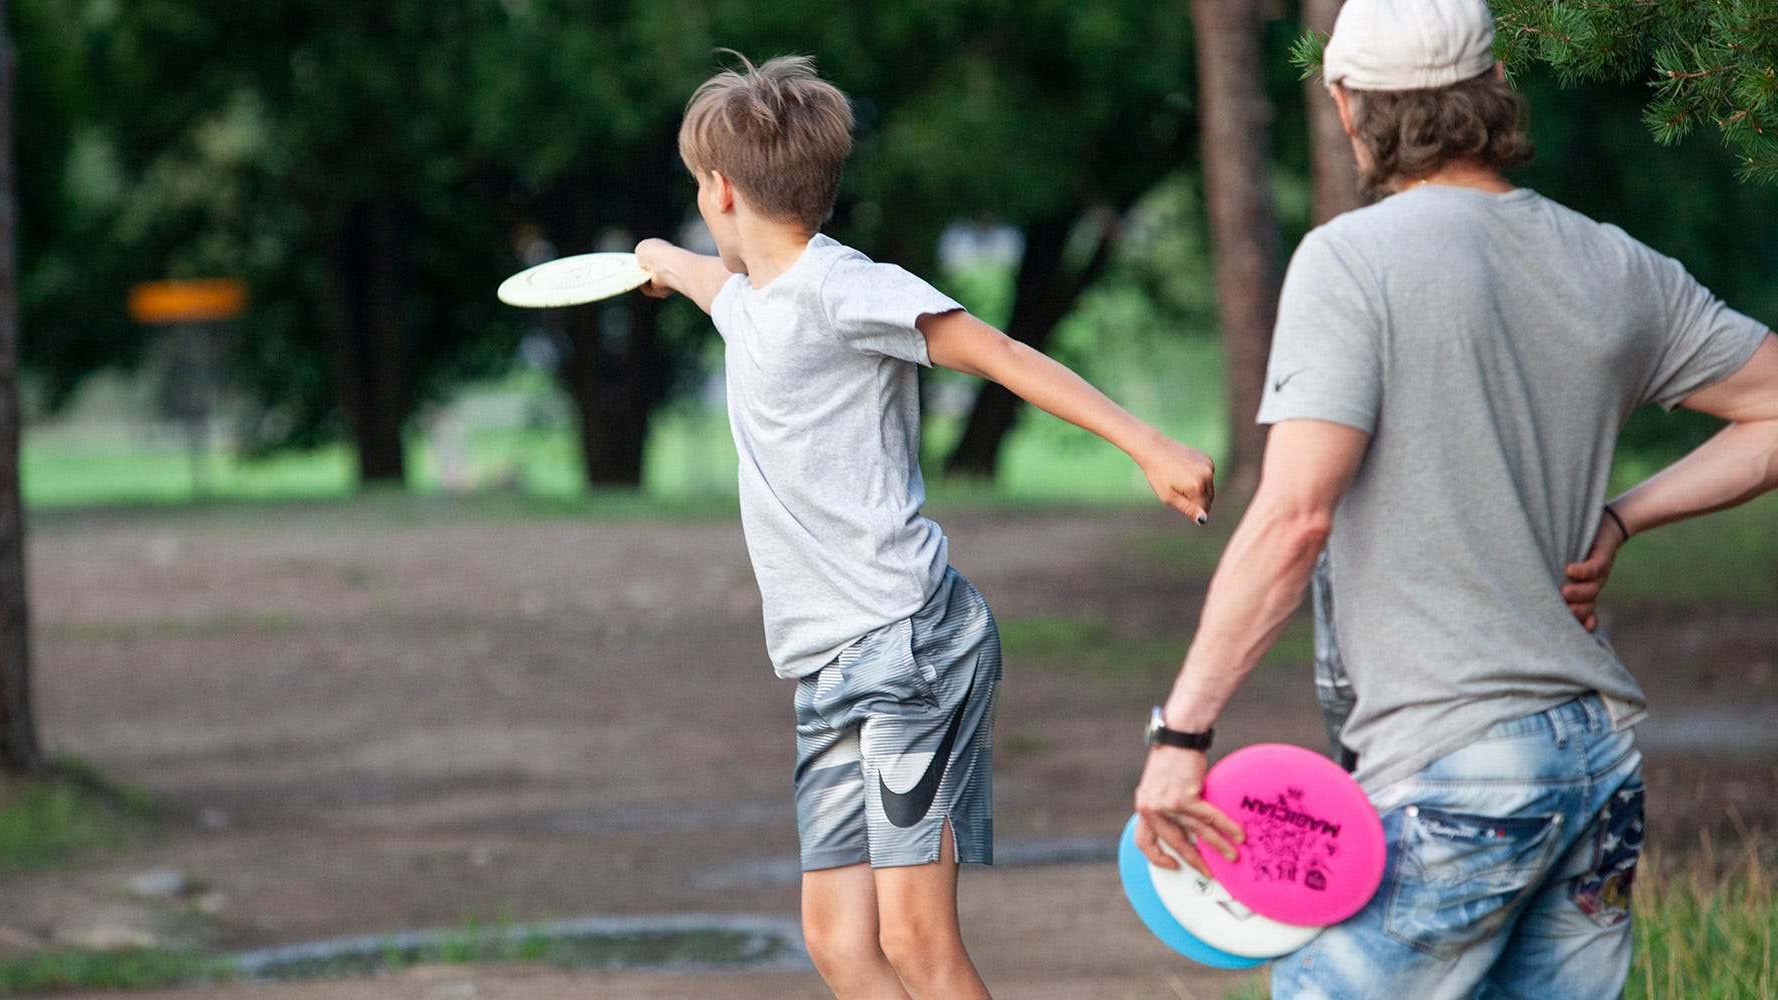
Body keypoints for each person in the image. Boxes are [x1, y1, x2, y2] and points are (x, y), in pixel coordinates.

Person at [1131, 0, 1778, 996]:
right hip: (1594, 764)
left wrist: (1181, 733)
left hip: (1452, 770)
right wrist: (1623, 514)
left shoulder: (1349, 262)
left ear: (1350, 107)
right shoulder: (1605, 260)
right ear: (1489, 91)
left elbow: (1293, 514)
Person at [634, 53, 1216, 999]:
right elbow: (713, 282)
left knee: (915, 942)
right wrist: (659, 261)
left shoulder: (843, 289)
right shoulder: (752, 300)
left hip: (910, 649)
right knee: (838, 945)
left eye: (699, 189)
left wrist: (1144, 445)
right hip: (825, 666)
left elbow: (1000, 352)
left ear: (721, 189)